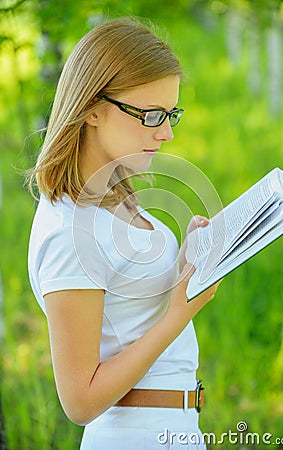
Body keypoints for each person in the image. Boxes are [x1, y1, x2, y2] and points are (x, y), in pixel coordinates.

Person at [28, 17, 221, 450]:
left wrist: (185, 260)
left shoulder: (111, 193)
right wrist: (179, 312)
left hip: (170, 430)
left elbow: (128, 314)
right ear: (93, 108)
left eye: (170, 114)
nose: (167, 133)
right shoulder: (68, 234)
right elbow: (80, 401)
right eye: (151, 115)